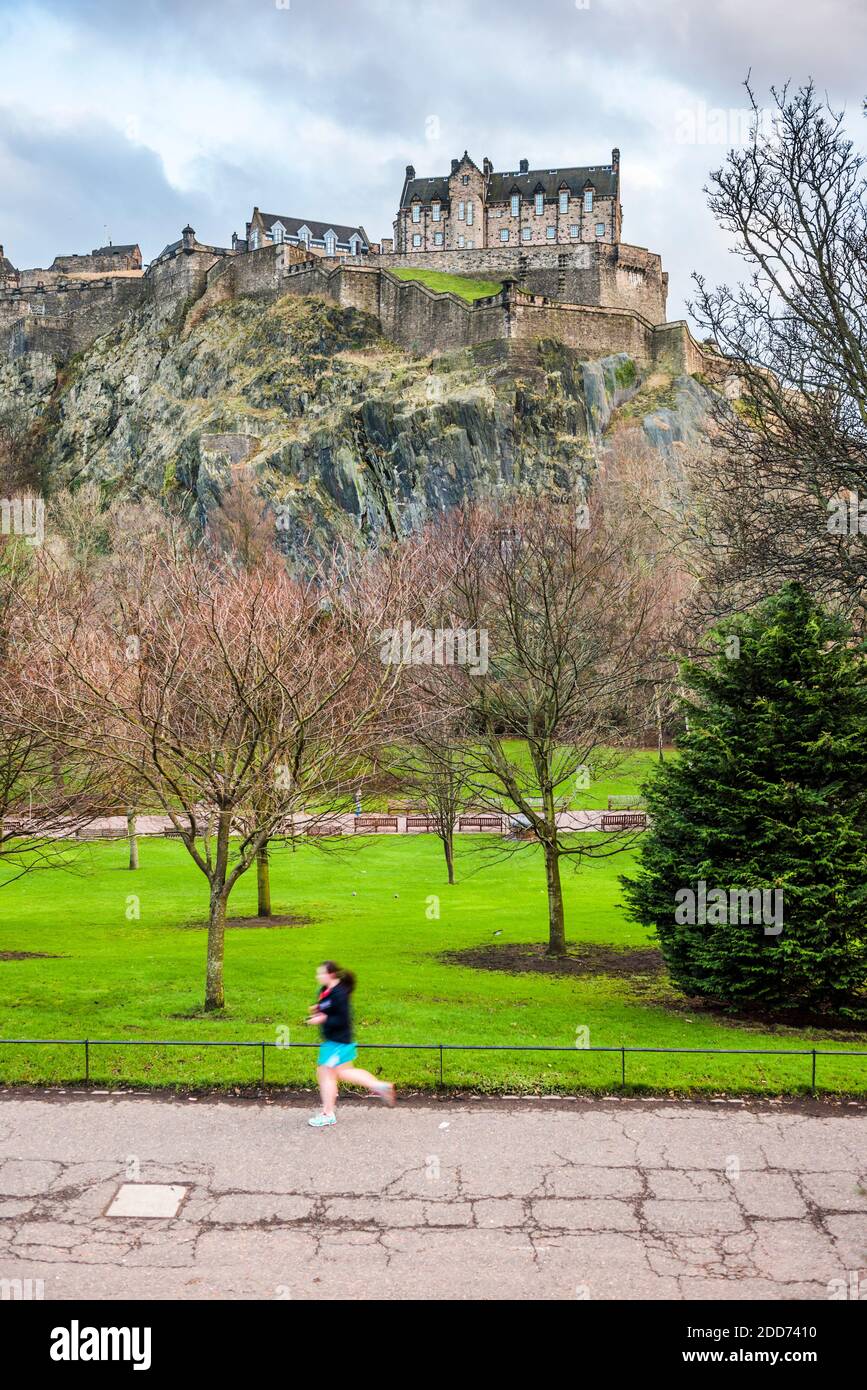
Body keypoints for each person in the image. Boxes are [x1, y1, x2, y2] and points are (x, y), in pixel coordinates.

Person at [305, 961, 395, 1127]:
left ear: (331, 974)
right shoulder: (326, 990)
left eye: (321, 973)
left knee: (326, 1073)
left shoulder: (340, 994)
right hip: (335, 1041)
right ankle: (380, 1086)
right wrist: (317, 1009)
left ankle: (328, 1113)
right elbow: (326, 1006)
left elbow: (342, 1019)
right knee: (344, 1072)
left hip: (337, 1042)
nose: (318, 976)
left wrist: (323, 1018)